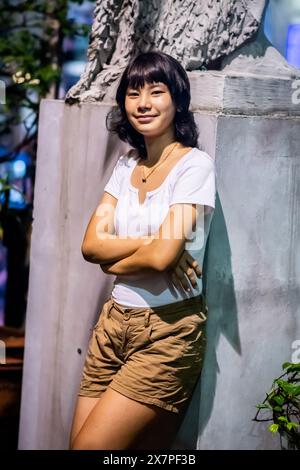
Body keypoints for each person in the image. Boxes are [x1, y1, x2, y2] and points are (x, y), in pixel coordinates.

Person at [69, 50, 216, 450]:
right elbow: (90, 246)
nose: (144, 103)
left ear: (178, 100)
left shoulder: (194, 166)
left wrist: (117, 260)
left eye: (156, 91)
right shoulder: (126, 164)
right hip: (113, 324)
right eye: (134, 94)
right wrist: (154, 240)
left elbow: (163, 257)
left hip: (167, 332)